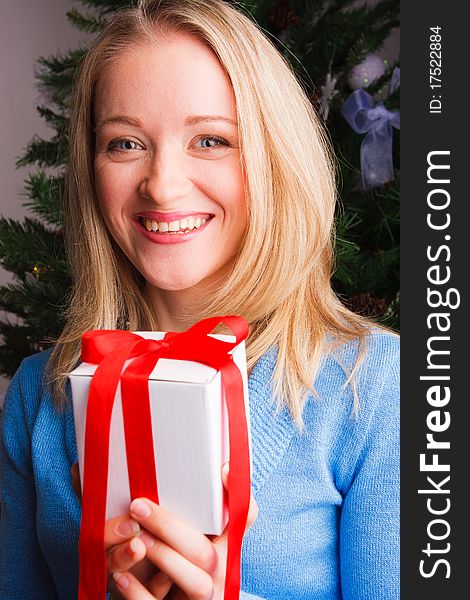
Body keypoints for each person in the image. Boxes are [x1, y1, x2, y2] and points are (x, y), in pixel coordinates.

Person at [0, 0, 399, 598]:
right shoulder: (39, 395)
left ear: (274, 159)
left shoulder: (373, 386)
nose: (161, 183)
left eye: (211, 140)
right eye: (125, 143)